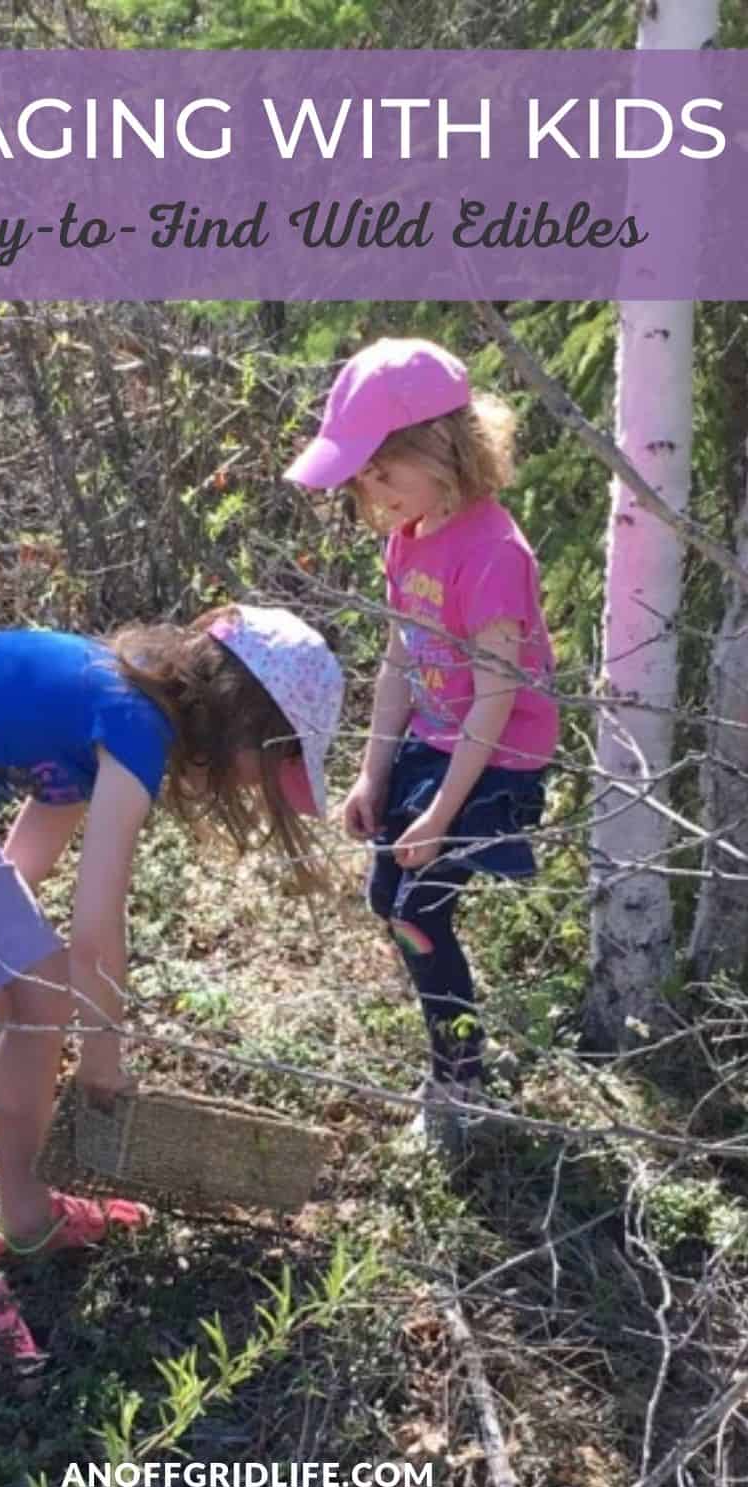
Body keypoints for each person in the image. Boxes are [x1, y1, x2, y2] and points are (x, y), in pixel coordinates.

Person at [0, 604, 343, 1357]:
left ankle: (25, 1215)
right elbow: (97, 927)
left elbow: (29, 862)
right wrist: (101, 1065)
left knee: (41, 985)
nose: (262, 786)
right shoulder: (133, 723)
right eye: (274, 762)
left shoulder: (114, 712)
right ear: (241, 720)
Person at [285, 336, 558, 1154]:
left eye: (381, 471)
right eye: (363, 475)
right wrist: (374, 773)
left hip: (492, 761)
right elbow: (403, 658)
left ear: (441, 451)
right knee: (385, 898)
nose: (370, 491)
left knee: (420, 910)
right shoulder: (409, 537)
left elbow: (498, 697)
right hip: (431, 747)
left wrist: (442, 812)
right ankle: (454, 1054)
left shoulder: (493, 554)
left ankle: (461, 1079)